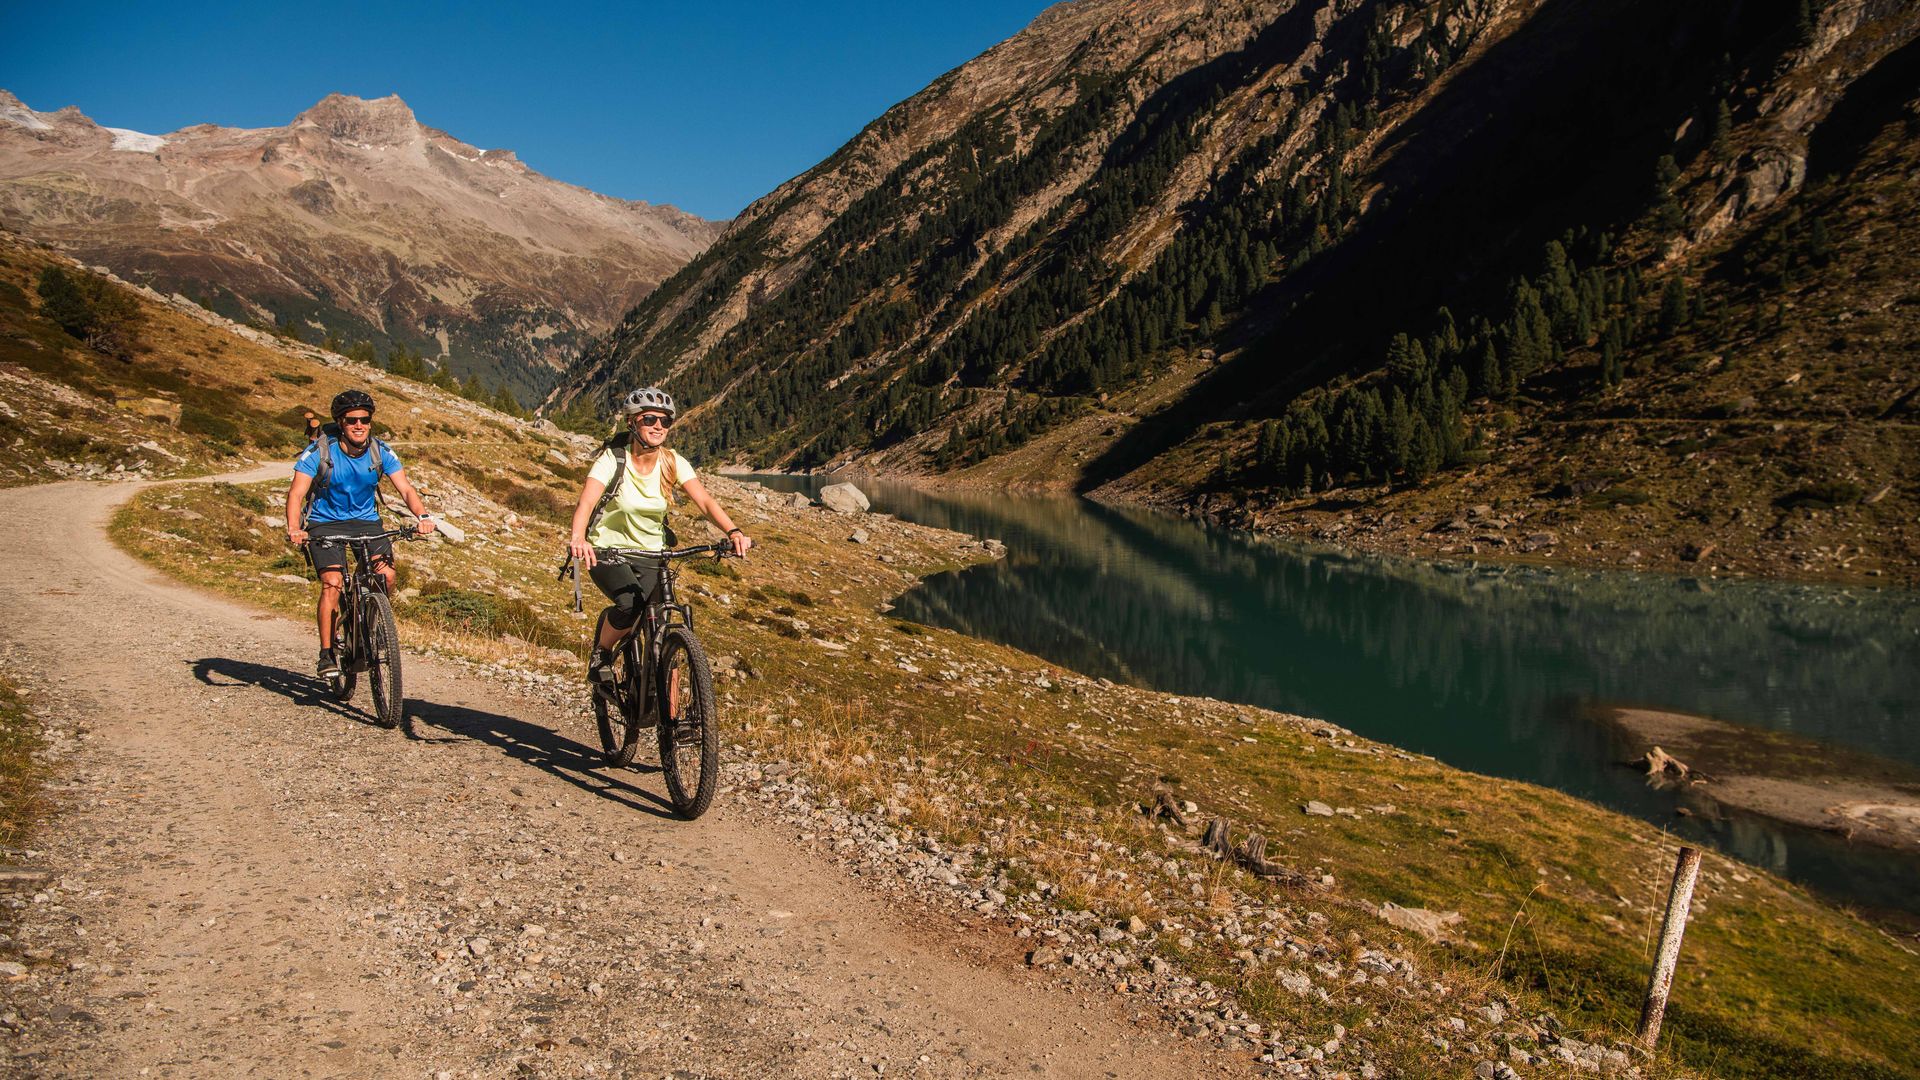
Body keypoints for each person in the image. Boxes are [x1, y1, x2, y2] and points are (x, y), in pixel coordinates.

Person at [567, 387, 750, 686]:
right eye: (650, 419)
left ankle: (676, 724)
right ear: (632, 422)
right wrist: (579, 538)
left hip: (654, 553)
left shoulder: (671, 462)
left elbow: (704, 502)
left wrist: (733, 531)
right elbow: (585, 502)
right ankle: (602, 651)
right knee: (630, 605)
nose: (658, 426)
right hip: (608, 551)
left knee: (665, 632)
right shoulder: (612, 460)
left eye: (665, 422)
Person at [285, 389, 435, 677]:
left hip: (366, 521)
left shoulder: (381, 451)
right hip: (324, 523)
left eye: (365, 420)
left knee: (387, 575)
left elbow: (405, 488)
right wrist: (295, 528)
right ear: (340, 422)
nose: (359, 425)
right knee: (333, 581)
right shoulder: (319, 451)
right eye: (352, 420)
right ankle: (327, 652)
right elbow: (296, 493)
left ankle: (376, 622)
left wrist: (423, 516)